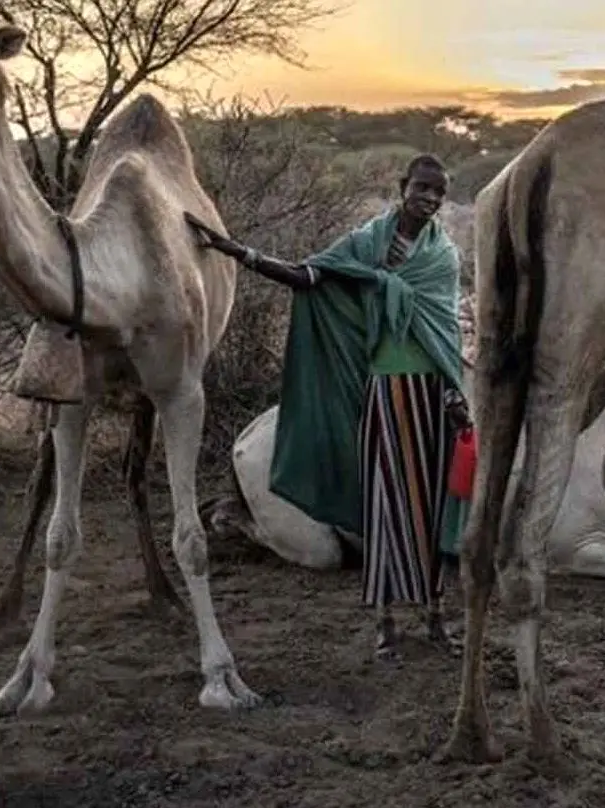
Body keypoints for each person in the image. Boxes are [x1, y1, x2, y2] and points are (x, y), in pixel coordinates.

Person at [185, 154, 472, 661]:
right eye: (422, 187)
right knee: (383, 508)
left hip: (432, 395)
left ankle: (435, 619)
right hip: (383, 393)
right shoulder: (367, 243)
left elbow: (444, 333)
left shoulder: (443, 256)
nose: (429, 198)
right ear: (402, 186)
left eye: (439, 193)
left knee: (430, 510)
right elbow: (308, 276)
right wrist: (235, 251)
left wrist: (454, 392)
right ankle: (385, 624)